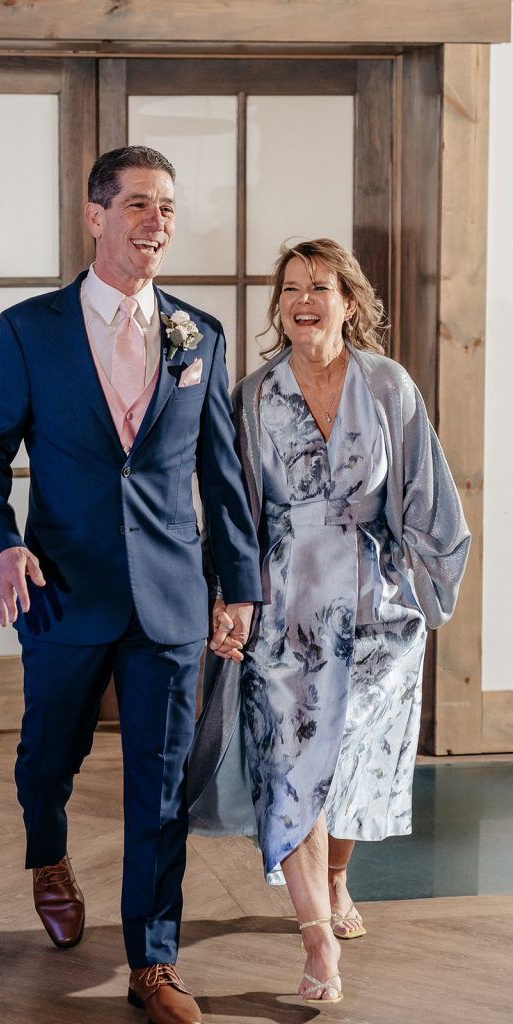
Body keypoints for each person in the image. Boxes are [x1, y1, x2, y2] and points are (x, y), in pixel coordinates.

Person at [0, 146, 262, 1024]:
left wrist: (237, 585)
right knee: (46, 759)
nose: (155, 222)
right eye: (137, 204)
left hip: (169, 598)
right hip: (60, 588)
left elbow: (222, 475)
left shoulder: (199, 333)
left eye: (166, 207)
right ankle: (48, 853)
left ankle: (153, 961)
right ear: (95, 216)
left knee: (161, 786)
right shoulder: (30, 328)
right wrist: (0, 547)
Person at [188, 238, 470, 1005]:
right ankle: (317, 942)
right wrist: (226, 593)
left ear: (349, 302)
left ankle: (337, 874)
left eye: (319, 286)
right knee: (293, 767)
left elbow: (426, 493)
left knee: (350, 763)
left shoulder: (386, 385)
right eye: (290, 288)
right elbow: (231, 510)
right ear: (277, 306)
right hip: (283, 612)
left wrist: (419, 589)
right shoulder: (253, 395)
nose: (302, 300)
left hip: (376, 612)